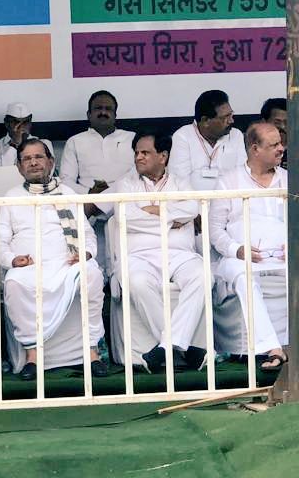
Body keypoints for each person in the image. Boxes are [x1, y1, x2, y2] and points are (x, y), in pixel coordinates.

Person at [0, 138, 106, 380]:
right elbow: (0, 241)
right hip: (30, 265)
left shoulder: (67, 193)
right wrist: (13, 260)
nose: (33, 163)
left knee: (91, 273)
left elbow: (87, 235)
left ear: (51, 161)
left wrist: (86, 254)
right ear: (18, 167)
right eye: (27, 159)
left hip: (66, 263)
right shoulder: (10, 196)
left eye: (38, 157)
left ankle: (91, 353)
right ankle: (32, 357)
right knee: (14, 282)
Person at [105, 132, 206, 373]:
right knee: (137, 282)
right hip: (140, 255)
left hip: (179, 254)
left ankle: (165, 347)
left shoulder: (181, 182)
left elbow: (191, 208)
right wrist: (172, 216)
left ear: (163, 156)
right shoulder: (126, 183)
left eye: (145, 153)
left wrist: (153, 210)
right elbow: (126, 216)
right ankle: (183, 347)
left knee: (203, 276)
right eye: (136, 153)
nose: (138, 157)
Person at [209, 122, 288, 369]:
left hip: (283, 257)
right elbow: (215, 231)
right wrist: (237, 250)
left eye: (280, 143)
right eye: (274, 145)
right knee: (243, 276)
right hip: (237, 259)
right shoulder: (228, 181)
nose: (281, 149)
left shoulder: (289, 179)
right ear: (255, 149)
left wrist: (296, 245)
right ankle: (271, 348)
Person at [60, 91, 136, 201]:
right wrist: (90, 193)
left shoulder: (132, 138)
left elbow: (141, 172)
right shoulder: (74, 141)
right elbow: (66, 181)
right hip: (88, 203)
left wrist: (114, 190)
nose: (103, 112)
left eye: (108, 109)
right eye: (98, 108)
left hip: (127, 200)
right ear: (88, 114)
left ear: (115, 115)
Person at [170, 90, 247, 191]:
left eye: (231, 115)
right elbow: (180, 182)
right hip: (193, 203)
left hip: (229, 202)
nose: (231, 121)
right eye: (225, 117)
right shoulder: (183, 137)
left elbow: (242, 176)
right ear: (205, 121)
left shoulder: (236, 135)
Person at [0, 102, 54, 168]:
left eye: (25, 122)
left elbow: (48, 171)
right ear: (7, 123)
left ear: (30, 122)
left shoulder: (44, 143)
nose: (21, 126)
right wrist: (15, 143)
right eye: (16, 122)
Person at [260, 98, 287, 167]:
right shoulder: (256, 150)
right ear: (264, 122)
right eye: (277, 122)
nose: (282, 126)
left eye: (287, 122)